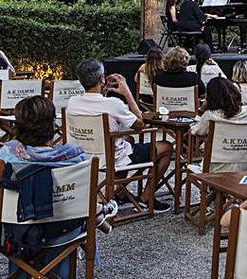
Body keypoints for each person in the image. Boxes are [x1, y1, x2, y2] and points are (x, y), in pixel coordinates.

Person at [0, 96, 108, 279]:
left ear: (19, 125)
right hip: (64, 231)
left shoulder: (8, 156)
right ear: (52, 124)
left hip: (19, 233)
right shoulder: (76, 158)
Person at [66, 59, 173, 213]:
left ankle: (118, 191)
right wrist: (127, 93)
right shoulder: (113, 104)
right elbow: (140, 124)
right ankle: (146, 197)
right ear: (102, 78)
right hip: (110, 158)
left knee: (127, 139)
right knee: (167, 147)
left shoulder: (72, 102)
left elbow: (94, 102)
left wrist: (103, 91)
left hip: (85, 155)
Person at [190, 78, 247, 172]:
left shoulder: (210, 115)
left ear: (210, 98)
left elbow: (195, 131)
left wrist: (200, 111)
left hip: (217, 171)